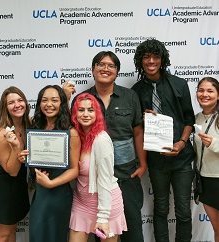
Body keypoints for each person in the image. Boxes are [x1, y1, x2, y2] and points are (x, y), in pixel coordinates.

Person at [64, 51, 147, 242]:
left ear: (117, 72)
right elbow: (70, 130)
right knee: (97, 232)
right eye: (101, 64)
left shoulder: (130, 96)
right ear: (93, 69)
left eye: (111, 66)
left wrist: (143, 164)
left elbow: (137, 132)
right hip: (91, 180)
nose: (105, 68)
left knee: (132, 229)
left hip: (125, 174)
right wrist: (64, 97)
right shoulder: (82, 99)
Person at [132, 38, 195, 242]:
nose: (151, 61)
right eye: (146, 57)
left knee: (184, 211)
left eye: (156, 56)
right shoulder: (136, 91)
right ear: (140, 61)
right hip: (156, 160)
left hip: (182, 159)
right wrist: (143, 118)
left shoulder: (179, 84)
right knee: (160, 208)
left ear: (163, 59)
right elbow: (135, 127)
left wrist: (182, 143)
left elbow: (189, 119)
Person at [25, 85, 80, 242]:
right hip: (40, 193)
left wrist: (51, 183)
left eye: (54, 100)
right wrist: (25, 158)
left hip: (58, 194)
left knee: (55, 236)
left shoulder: (71, 132)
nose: (49, 104)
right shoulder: (36, 128)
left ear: (62, 103)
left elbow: (75, 169)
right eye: (44, 100)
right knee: (37, 235)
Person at [69, 93, 127, 242]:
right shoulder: (75, 137)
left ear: (97, 113)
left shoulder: (101, 139)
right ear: (75, 114)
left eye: (91, 110)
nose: (86, 114)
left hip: (106, 206)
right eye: (81, 110)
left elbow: (105, 180)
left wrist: (103, 216)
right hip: (82, 202)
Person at [0, 86, 30, 242]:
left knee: (11, 232)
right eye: (11, 102)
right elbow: (12, 170)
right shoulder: (1, 133)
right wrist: (16, 148)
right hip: (1, 188)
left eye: (20, 100)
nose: (17, 105)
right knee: (2, 235)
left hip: (16, 186)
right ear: (4, 108)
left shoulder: (28, 124)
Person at [194, 77, 219, 242]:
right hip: (206, 180)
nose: (205, 94)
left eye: (210, 91)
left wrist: (214, 143)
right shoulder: (196, 118)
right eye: (201, 90)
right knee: (217, 229)